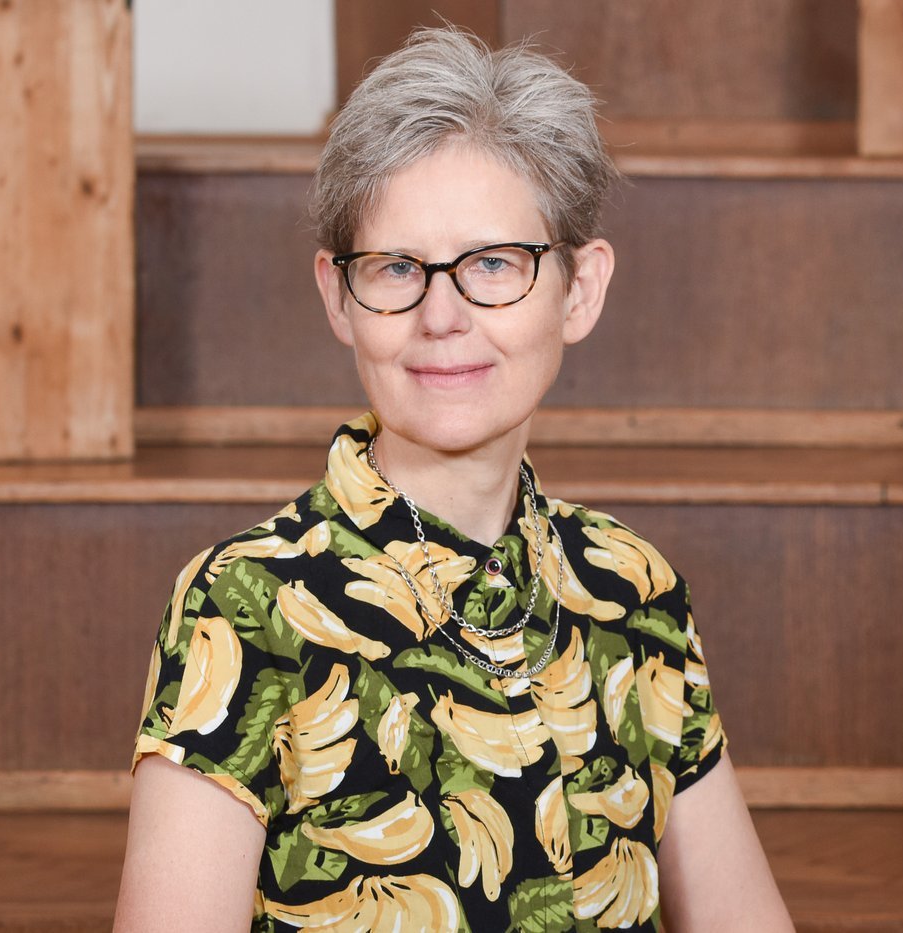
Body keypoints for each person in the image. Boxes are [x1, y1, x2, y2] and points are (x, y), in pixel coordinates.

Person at [113, 26, 792, 933]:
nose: (442, 316)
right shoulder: (243, 604)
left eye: (492, 265)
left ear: (580, 289)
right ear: (338, 296)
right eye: (397, 268)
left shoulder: (634, 588)